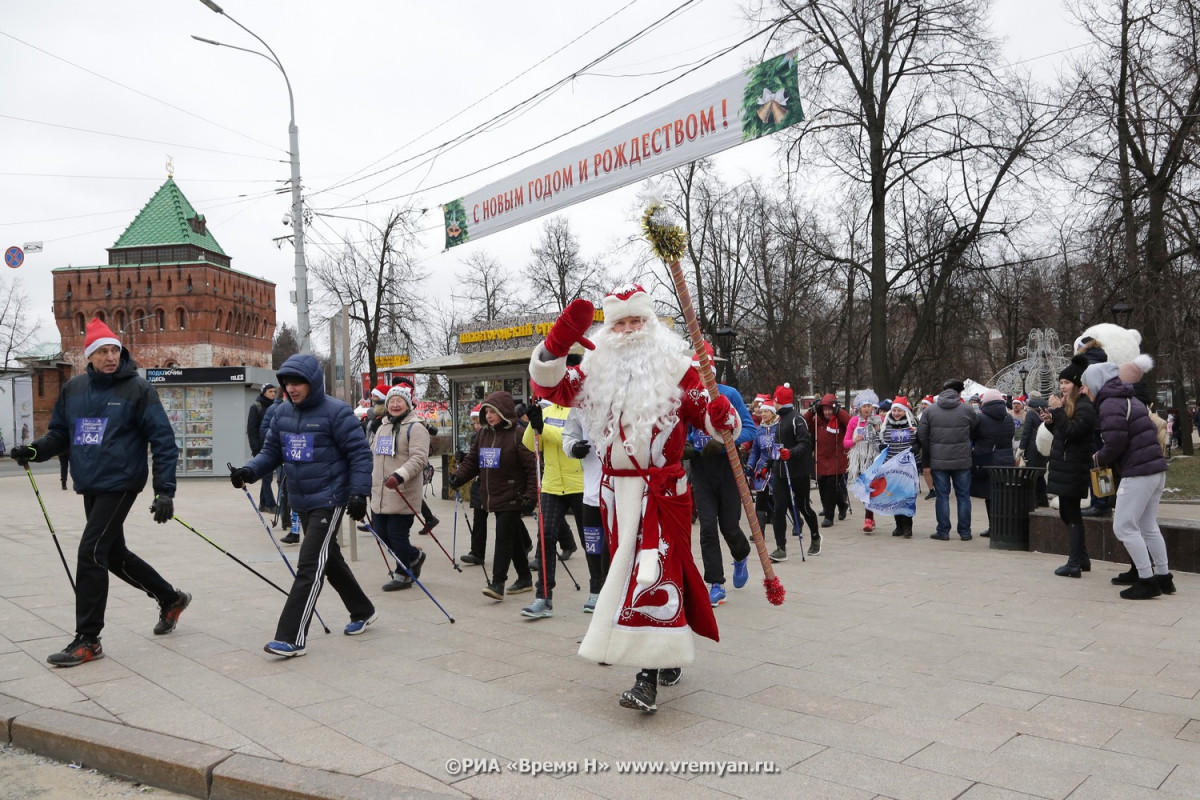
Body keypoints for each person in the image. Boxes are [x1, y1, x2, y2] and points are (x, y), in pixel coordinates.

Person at [529, 285, 730, 714]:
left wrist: (720, 415)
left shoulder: (679, 369)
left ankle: (646, 677)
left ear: (651, 324)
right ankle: (665, 652)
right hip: (615, 493)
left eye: (636, 321)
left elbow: (714, 419)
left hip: (662, 491)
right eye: (619, 322)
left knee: (651, 573)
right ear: (608, 329)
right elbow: (552, 389)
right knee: (635, 572)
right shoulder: (595, 372)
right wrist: (555, 346)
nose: (628, 330)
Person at [8, 318, 187, 668]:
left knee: (90, 550)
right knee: (113, 554)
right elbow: (60, 434)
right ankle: (171, 597)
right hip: (90, 481)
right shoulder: (74, 389)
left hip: (121, 482)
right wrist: (34, 451)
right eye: (102, 351)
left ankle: (88, 639)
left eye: (115, 350)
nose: (110, 357)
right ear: (88, 356)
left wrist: (164, 490)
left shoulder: (137, 390)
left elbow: (163, 441)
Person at [229, 354, 377, 657]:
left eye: (298, 382)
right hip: (301, 499)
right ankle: (362, 609)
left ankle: (291, 636)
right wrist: (249, 471)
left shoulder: (337, 412)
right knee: (329, 558)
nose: (292, 388)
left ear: (313, 383)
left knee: (310, 564)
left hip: (331, 498)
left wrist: (359, 494)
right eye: (287, 382)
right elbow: (270, 452)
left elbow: (360, 454)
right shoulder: (281, 412)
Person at [1084, 356, 1173, 599]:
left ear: (1096, 383)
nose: (1084, 389)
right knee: (1148, 525)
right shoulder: (1128, 397)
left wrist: (1098, 458)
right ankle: (1164, 577)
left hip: (1139, 471)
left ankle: (1147, 580)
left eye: (1085, 384)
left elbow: (1115, 443)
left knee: (1123, 526)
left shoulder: (1110, 403)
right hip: (1154, 469)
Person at [447, 391, 537, 600]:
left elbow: (532, 469)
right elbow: (472, 461)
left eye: (492, 411)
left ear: (503, 411)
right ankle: (524, 578)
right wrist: (458, 478)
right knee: (512, 537)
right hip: (492, 494)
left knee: (503, 537)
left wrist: (531, 495)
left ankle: (497, 583)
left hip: (514, 495)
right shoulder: (484, 434)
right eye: (486, 411)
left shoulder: (518, 434)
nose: (488, 415)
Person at [684, 343, 755, 607]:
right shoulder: (689, 397)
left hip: (728, 470)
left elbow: (750, 429)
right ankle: (716, 583)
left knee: (729, 527)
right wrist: (687, 446)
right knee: (707, 529)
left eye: (705, 370)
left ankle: (741, 554)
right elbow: (684, 432)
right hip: (702, 470)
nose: (701, 376)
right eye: (696, 371)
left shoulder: (730, 395)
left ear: (712, 371)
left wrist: (727, 444)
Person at [520, 396, 585, 619]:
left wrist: (542, 428)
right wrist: (533, 422)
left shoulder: (579, 409)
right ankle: (544, 597)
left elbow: (567, 439)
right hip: (552, 484)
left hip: (581, 483)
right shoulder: (547, 412)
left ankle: (600, 591)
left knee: (592, 541)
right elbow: (529, 443)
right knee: (546, 537)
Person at [1037, 355, 1097, 578]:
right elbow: (1065, 435)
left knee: (1071, 514)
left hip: (1074, 468)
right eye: (1061, 382)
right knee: (1066, 512)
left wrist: (1058, 413)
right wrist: (1052, 423)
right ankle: (1082, 559)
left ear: (1077, 385)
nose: (1062, 387)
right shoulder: (1070, 406)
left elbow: (1074, 433)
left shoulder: (1085, 407)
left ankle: (1074, 563)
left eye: (1067, 383)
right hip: (1065, 467)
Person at [368, 385, 429, 592]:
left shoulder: (416, 427)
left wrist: (399, 476)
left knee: (396, 534)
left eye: (399, 401)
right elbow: (374, 457)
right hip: (379, 493)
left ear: (408, 404)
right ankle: (413, 556)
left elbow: (419, 458)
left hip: (402, 491)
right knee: (380, 533)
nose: (395, 405)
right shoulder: (383, 426)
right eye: (391, 401)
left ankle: (403, 574)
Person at [918, 379, 979, 541]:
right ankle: (965, 532)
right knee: (963, 496)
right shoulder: (967, 409)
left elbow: (922, 434)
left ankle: (943, 531)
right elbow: (975, 429)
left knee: (942, 496)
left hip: (939, 460)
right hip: (962, 459)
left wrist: (931, 450)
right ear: (959, 393)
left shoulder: (930, 411)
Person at [562, 405, 608, 613]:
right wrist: (573, 447)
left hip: (618, 493)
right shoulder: (579, 408)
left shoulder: (620, 401)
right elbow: (568, 436)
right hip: (591, 493)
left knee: (614, 546)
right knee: (593, 545)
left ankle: (614, 590)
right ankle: (596, 588)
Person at [970, 388, 1016, 538]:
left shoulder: (981, 419)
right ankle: (1003, 526)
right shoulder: (1008, 418)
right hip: (1006, 460)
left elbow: (974, 437)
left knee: (989, 495)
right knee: (1002, 495)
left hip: (987, 459)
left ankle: (993, 526)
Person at [804, 394, 851, 533]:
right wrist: (811, 411)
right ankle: (842, 505)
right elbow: (804, 423)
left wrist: (839, 411)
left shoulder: (839, 420)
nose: (827, 412)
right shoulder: (817, 420)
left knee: (831, 485)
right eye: (825, 409)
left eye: (830, 409)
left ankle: (829, 516)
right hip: (821, 459)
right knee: (824, 486)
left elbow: (850, 422)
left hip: (835, 459)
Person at [880, 396, 921, 537]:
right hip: (892, 466)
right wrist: (881, 447)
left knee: (907, 496)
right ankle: (898, 525)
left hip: (908, 467)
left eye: (900, 411)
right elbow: (881, 440)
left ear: (905, 411)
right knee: (895, 497)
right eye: (894, 410)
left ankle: (908, 527)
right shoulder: (886, 424)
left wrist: (917, 446)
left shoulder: (913, 422)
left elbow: (920, 438)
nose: (896, 413)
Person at [456, 404, 490, 566]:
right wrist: (463, 458)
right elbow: (474, 459)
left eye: (479, 422)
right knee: (479, 518)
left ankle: (524, 543)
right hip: (480, 481)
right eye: (474, 423)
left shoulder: (496, 434)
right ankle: (477, 552)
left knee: (509, 521)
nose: (476, 426)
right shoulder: (475, 437)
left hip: (498, 483)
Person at [844, 390, 882, 533]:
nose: (866, 409)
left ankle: (868, 518)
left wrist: (877, 430)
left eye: (869, 406)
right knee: (865, 490)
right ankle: (869, 518)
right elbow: (845, 442)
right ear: (859, 408)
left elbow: (883, 439)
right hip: (859, 460)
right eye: (864, 406)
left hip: (874, 459)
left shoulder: (878, 420)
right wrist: (854, 441)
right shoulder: (854, 421)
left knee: (871, 488)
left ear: (873, 408)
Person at [247, 383, 278, 514]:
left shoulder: (276, 407)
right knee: (266, 477)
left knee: (267, 476)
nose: (273, 394)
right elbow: (251, 429)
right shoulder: (256, 407)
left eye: (274, 391)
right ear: (263, 392)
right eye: (270, 391)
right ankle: (271, 504)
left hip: (272, 446)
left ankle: (263, 503)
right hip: (261, 448)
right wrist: (255, 448)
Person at [1017, 392, 1051, 507]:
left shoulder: (1031, 413)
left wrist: (1021, 448)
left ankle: (1033, 501)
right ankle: (1043, 500)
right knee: (1040, 474)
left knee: (1031, 475)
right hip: (1044, 447)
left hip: (1032, 449)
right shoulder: (1047, 412)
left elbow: (1026, 433)